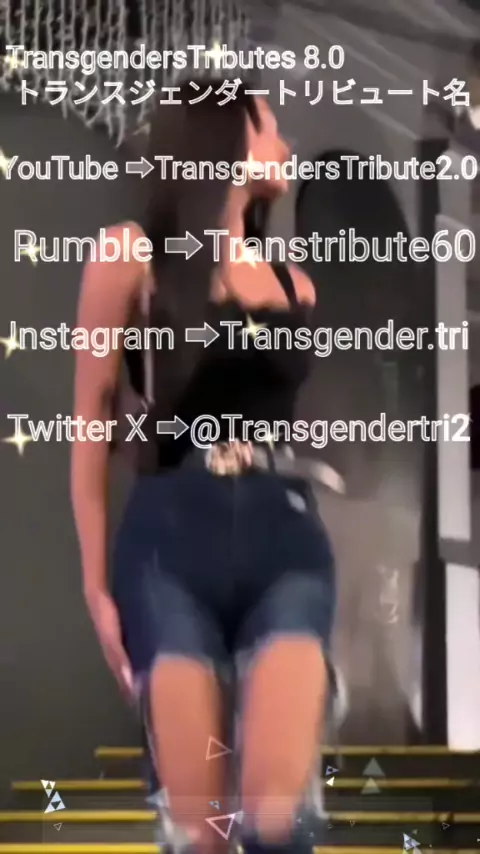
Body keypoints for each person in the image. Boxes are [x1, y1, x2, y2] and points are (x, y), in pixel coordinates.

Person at [71, 81, 339, 854]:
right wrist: (95, 586)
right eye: (270, 125)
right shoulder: (131, 255)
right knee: (201, 836)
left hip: (284, 536)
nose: (284, 144)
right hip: (169, 543)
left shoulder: (293, 282)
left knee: (279, 826)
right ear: (224, 136)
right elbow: (89, 424)